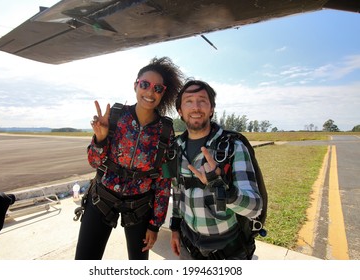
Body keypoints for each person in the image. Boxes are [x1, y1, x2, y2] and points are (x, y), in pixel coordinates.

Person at [75, 57, 184, 260]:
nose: (150, 92)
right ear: (136, 85)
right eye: (145, 85)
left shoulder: (167, 132)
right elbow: (94, 162)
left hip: (140, 207)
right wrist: (100, 138)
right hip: (102, 198)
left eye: (157, 88)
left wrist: (155, 224)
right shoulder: (116, 117)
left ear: (163, 93)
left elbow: (165, 181)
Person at [169, 79, 263, 260]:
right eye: (189, 101)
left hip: (227, 249)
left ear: (211, 109)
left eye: (202, 100)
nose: (196, 107)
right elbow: (178, 191)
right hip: (188, 244)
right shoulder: (176, 149)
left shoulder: (233, 147)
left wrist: (221, 187)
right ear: (180, 111)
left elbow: (254, 208)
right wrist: (175, 228)